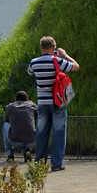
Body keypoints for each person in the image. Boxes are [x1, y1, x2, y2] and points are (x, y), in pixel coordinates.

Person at [28, 36, 79, 172]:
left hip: (42, 103)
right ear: (53, 48)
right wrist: (65, 55)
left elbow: (30, 72)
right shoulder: (57, 60)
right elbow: (76, 67)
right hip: (58, 103)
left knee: (41, 133)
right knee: (58, 133)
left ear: (41, 47)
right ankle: (56, 164)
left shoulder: (34, 62)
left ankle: (40, 163)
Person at [2, 91, 37, 162]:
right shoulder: (32, 105)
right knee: (38, 123)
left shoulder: (10, 106)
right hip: (32, 141)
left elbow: (6, 119)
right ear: (27, 99)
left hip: (15, 141)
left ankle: (10, 155)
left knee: (5, 125)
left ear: (16, 99)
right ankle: (28, 150)